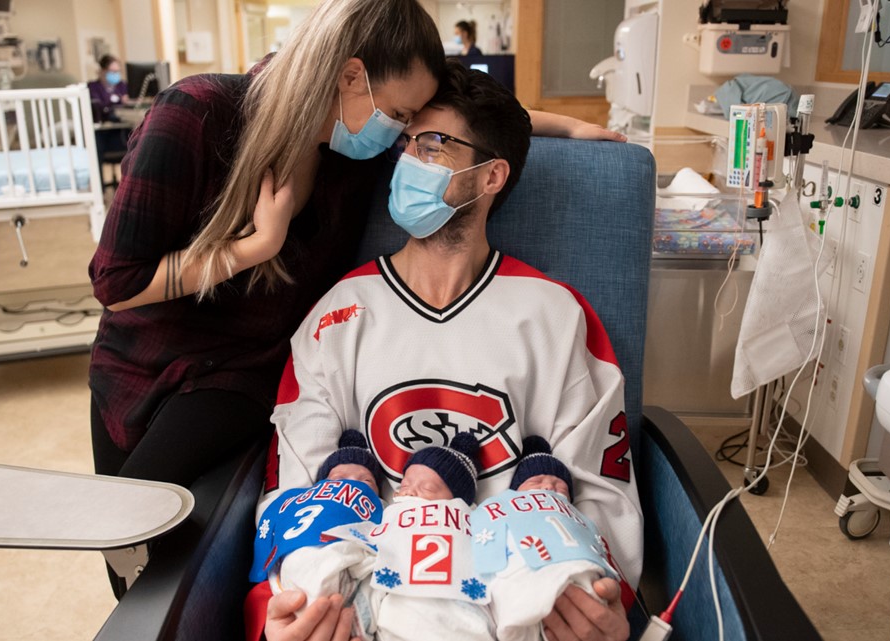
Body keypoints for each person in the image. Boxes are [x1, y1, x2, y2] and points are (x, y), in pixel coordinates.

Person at [88, 0, 624, 490]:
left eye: (411, 124)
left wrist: (573, 127)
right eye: (400, 115)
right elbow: (118, 284)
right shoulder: (195, 115)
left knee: (155, 541)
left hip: (243, 374)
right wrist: (255, 248)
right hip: (147, 356)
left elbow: (467, 129)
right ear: (350, 76)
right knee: (123, 536)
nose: (403, 134)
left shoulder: (353, 150)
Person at [260, 62, 640, 641]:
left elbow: (599, 491)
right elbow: (296, 492)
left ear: (491, 177)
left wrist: (606, 606)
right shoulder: (338, 314)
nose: (410, 159)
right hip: (370, 612)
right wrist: (288, 610)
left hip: (514, 613)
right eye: (406, 143)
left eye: (434, 145)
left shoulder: (556, 317)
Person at [324, 432, 494, 641]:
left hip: (459, 601)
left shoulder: (470, 517)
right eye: (404, 486)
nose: (410, 492)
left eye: (428, 488)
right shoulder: (389, 513)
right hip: (398, 600)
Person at [474, 436, 623, 641]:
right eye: (535, 482)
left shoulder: (576, 515)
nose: (547, 487)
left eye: (560, 486)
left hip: (575, 564)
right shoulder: (504, 506)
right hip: (524, 566)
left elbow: (595, 540)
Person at [245, 430, 384, 641]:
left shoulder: (381, 508)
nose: (351, 482)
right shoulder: (295, 498)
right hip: (296, 568)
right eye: (338, 478)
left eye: (366, 482)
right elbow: (269, 521)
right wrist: (260, 568)